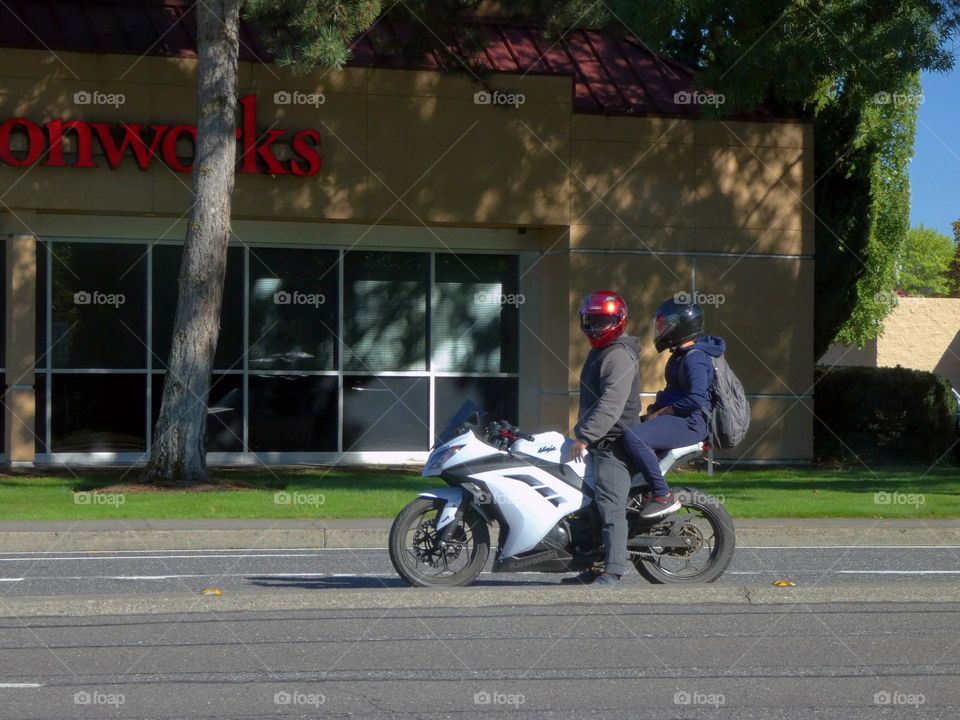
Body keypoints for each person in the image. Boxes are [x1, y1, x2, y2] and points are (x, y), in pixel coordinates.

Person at [563, 290, 641, 586]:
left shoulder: (618, 355)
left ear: (618, 321)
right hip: (599, 440)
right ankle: (592, 565)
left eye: (602, 321)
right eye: (590, 320)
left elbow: (611, 403)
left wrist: (584, 436)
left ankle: (613, 570)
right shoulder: (601, 352)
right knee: (588, 505)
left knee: (609, 504)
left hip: (614, 443)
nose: (595, 327)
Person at [621, 296, 725, 518]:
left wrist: (659, 413)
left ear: (681, 326)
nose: (660, 330)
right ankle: (637, 494)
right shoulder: (681, 355)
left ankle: (662, 495)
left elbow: (696, 399)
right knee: (620, 432)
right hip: (678, 419)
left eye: (664, 325)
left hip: (690, 422)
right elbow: (673, 393)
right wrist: (652, 412)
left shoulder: (695, 358)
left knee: (635, 438)